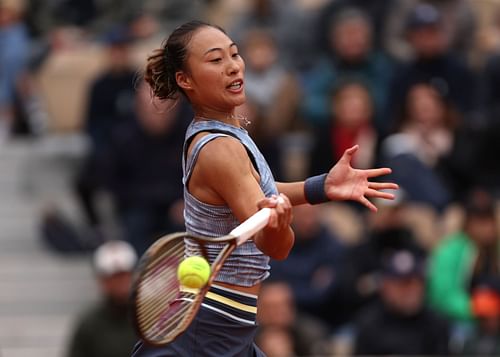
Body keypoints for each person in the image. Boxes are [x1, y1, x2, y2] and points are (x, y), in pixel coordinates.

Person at [131, 20, 397, 357]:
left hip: (223, 324)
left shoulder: (221, 130)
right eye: (215, 60)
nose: (232, 67)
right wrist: (281, 226)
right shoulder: (220, 149)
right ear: (185, 80)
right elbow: (276, 245)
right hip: (207, 332)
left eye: (234, 54)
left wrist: (320, 187)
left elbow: (260, 191)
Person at [354, 249, 451, 355]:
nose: (410, 291)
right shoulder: (369, 323)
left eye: (415, 283)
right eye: (403, 284)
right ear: (386, 287)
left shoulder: (437, 323)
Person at [66, 240, 138, 357]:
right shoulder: (88, 323)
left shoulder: (149, 318)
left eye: (124, 275)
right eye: (114, 277)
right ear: (102, 281)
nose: (121, 283)